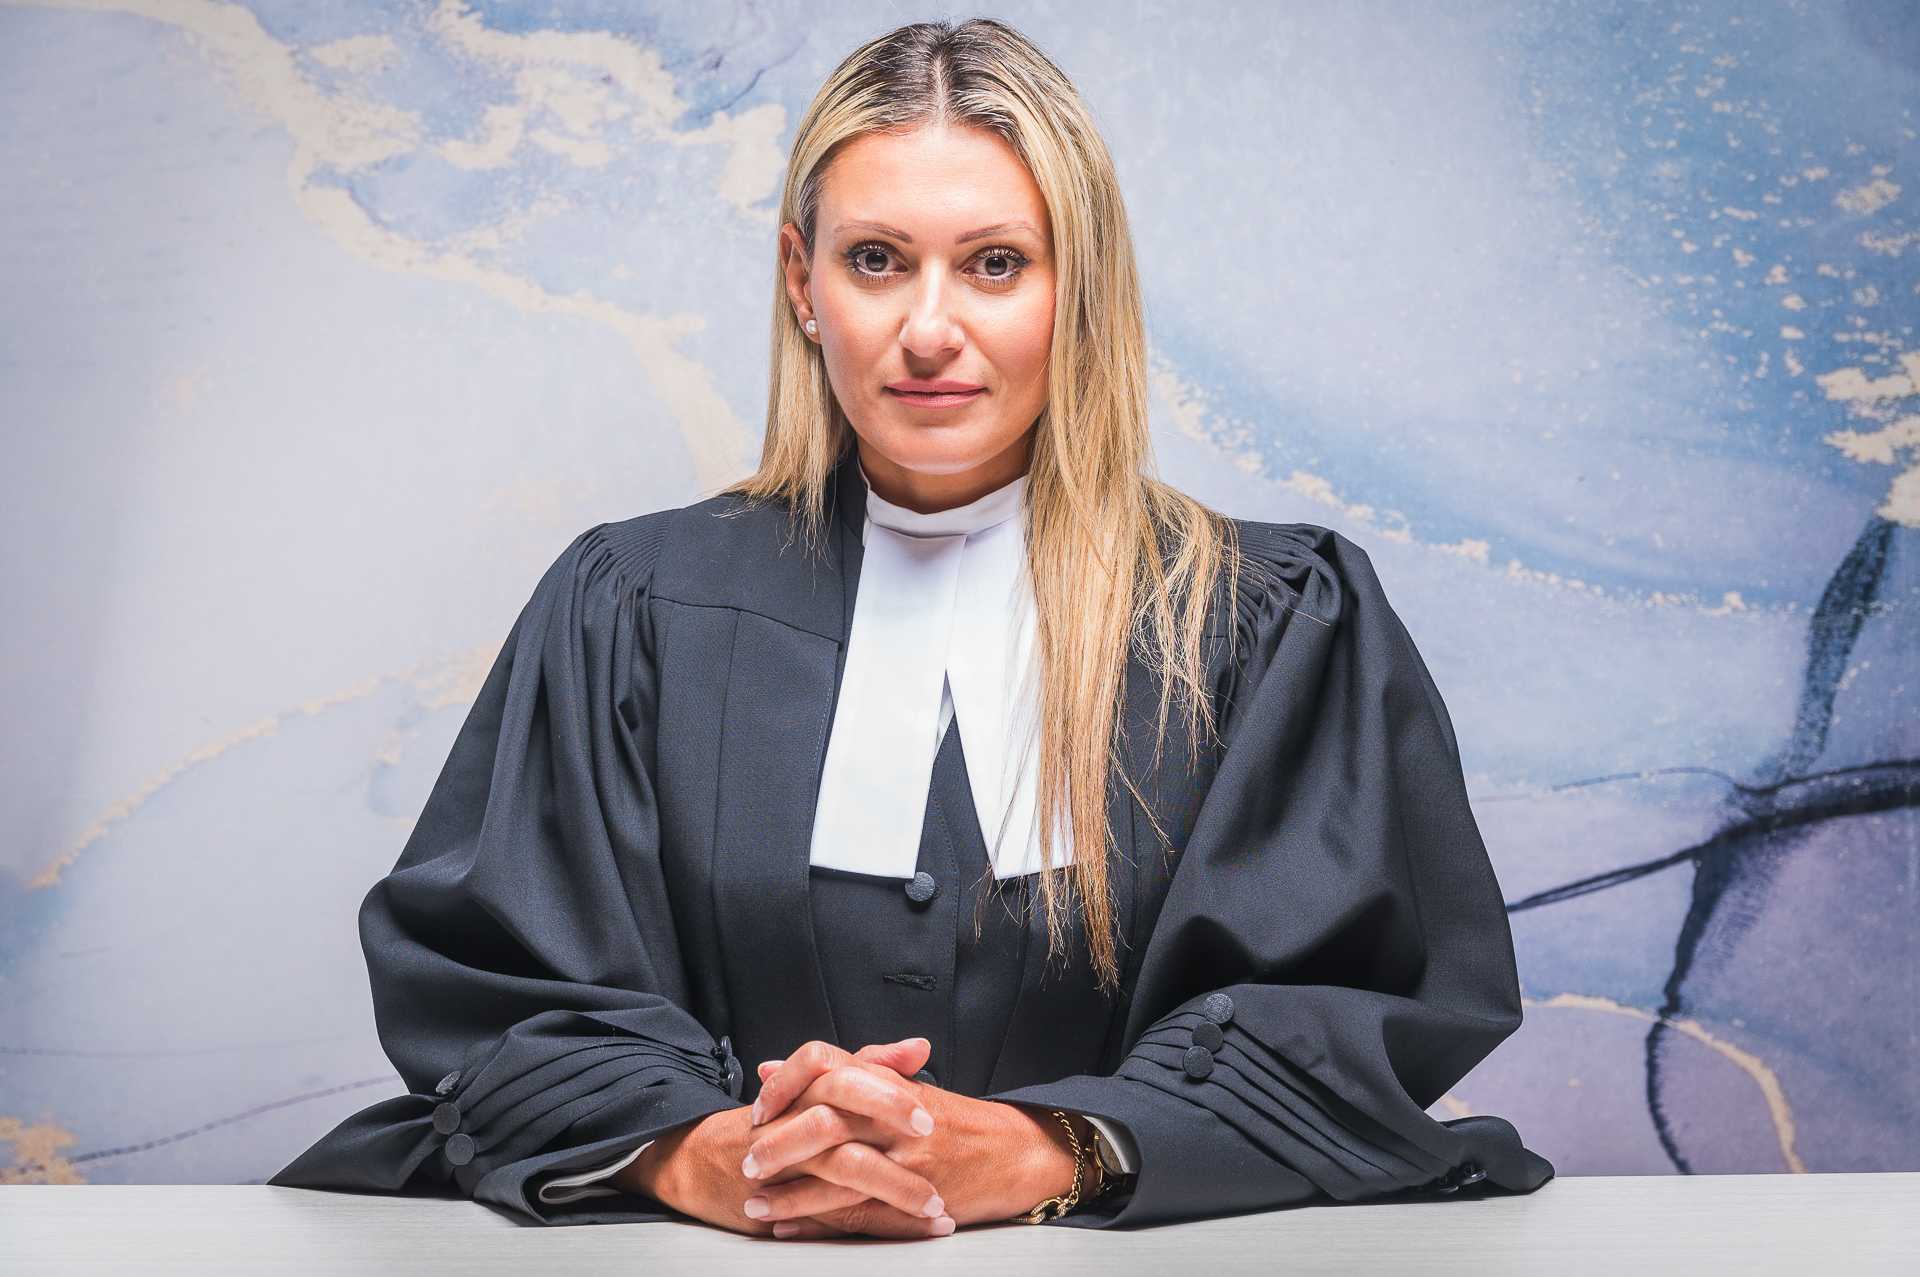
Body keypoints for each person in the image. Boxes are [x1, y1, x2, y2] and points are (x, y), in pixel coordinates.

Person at [268, 16, 1554, 1239]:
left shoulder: (1264, 623)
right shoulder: (631, 605)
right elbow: (504, 987)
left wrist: (1048, 1148)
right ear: (803, 280)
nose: (929, 330)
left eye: (996, 263)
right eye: (876, 259)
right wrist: (706, 1154)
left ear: (1079, 287)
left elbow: (1340, 1020)